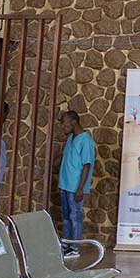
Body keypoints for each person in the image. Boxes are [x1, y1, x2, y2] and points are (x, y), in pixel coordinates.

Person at [58, 110, 95, 259]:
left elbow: (87, 165)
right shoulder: (71, 138)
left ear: (74, 122)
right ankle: (66, 244)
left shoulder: (85, 140)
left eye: (64, 123)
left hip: (75, 187)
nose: (63, 127)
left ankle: (74, 247)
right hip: (65, 184)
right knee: (66, 216)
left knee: (75, 217)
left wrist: (80, 188)